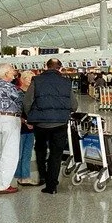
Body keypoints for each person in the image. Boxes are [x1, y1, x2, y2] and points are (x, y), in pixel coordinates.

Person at [24, 59, 78, 195]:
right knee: (56, 154)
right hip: (60, 123)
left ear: (45, 67)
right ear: (60, 68)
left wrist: (30, 116)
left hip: (40, 123)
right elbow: (74, 105)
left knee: (40, 149)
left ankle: (43, 176)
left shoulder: (36, 80)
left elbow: (27, 101)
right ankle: (52, 185)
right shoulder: (66, 82)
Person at [0, 63, 23, 195]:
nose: (14, 72)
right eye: (12, 71)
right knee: (10, 153)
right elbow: (21, 100)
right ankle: (3, 185)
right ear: (6, 73)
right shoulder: (9, 87)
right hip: (9, 119)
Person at [14, 71, 38, 186]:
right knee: (20, 152)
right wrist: (25, 121)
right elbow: (15, 111)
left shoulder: (33, 93)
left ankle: (24, 176)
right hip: (21, 126)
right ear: (22, 80)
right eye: (28, 78)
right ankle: (22, 176)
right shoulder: (18, 93)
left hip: (31, 126)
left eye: (32, 78)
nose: (30, 80)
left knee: (27, 152)